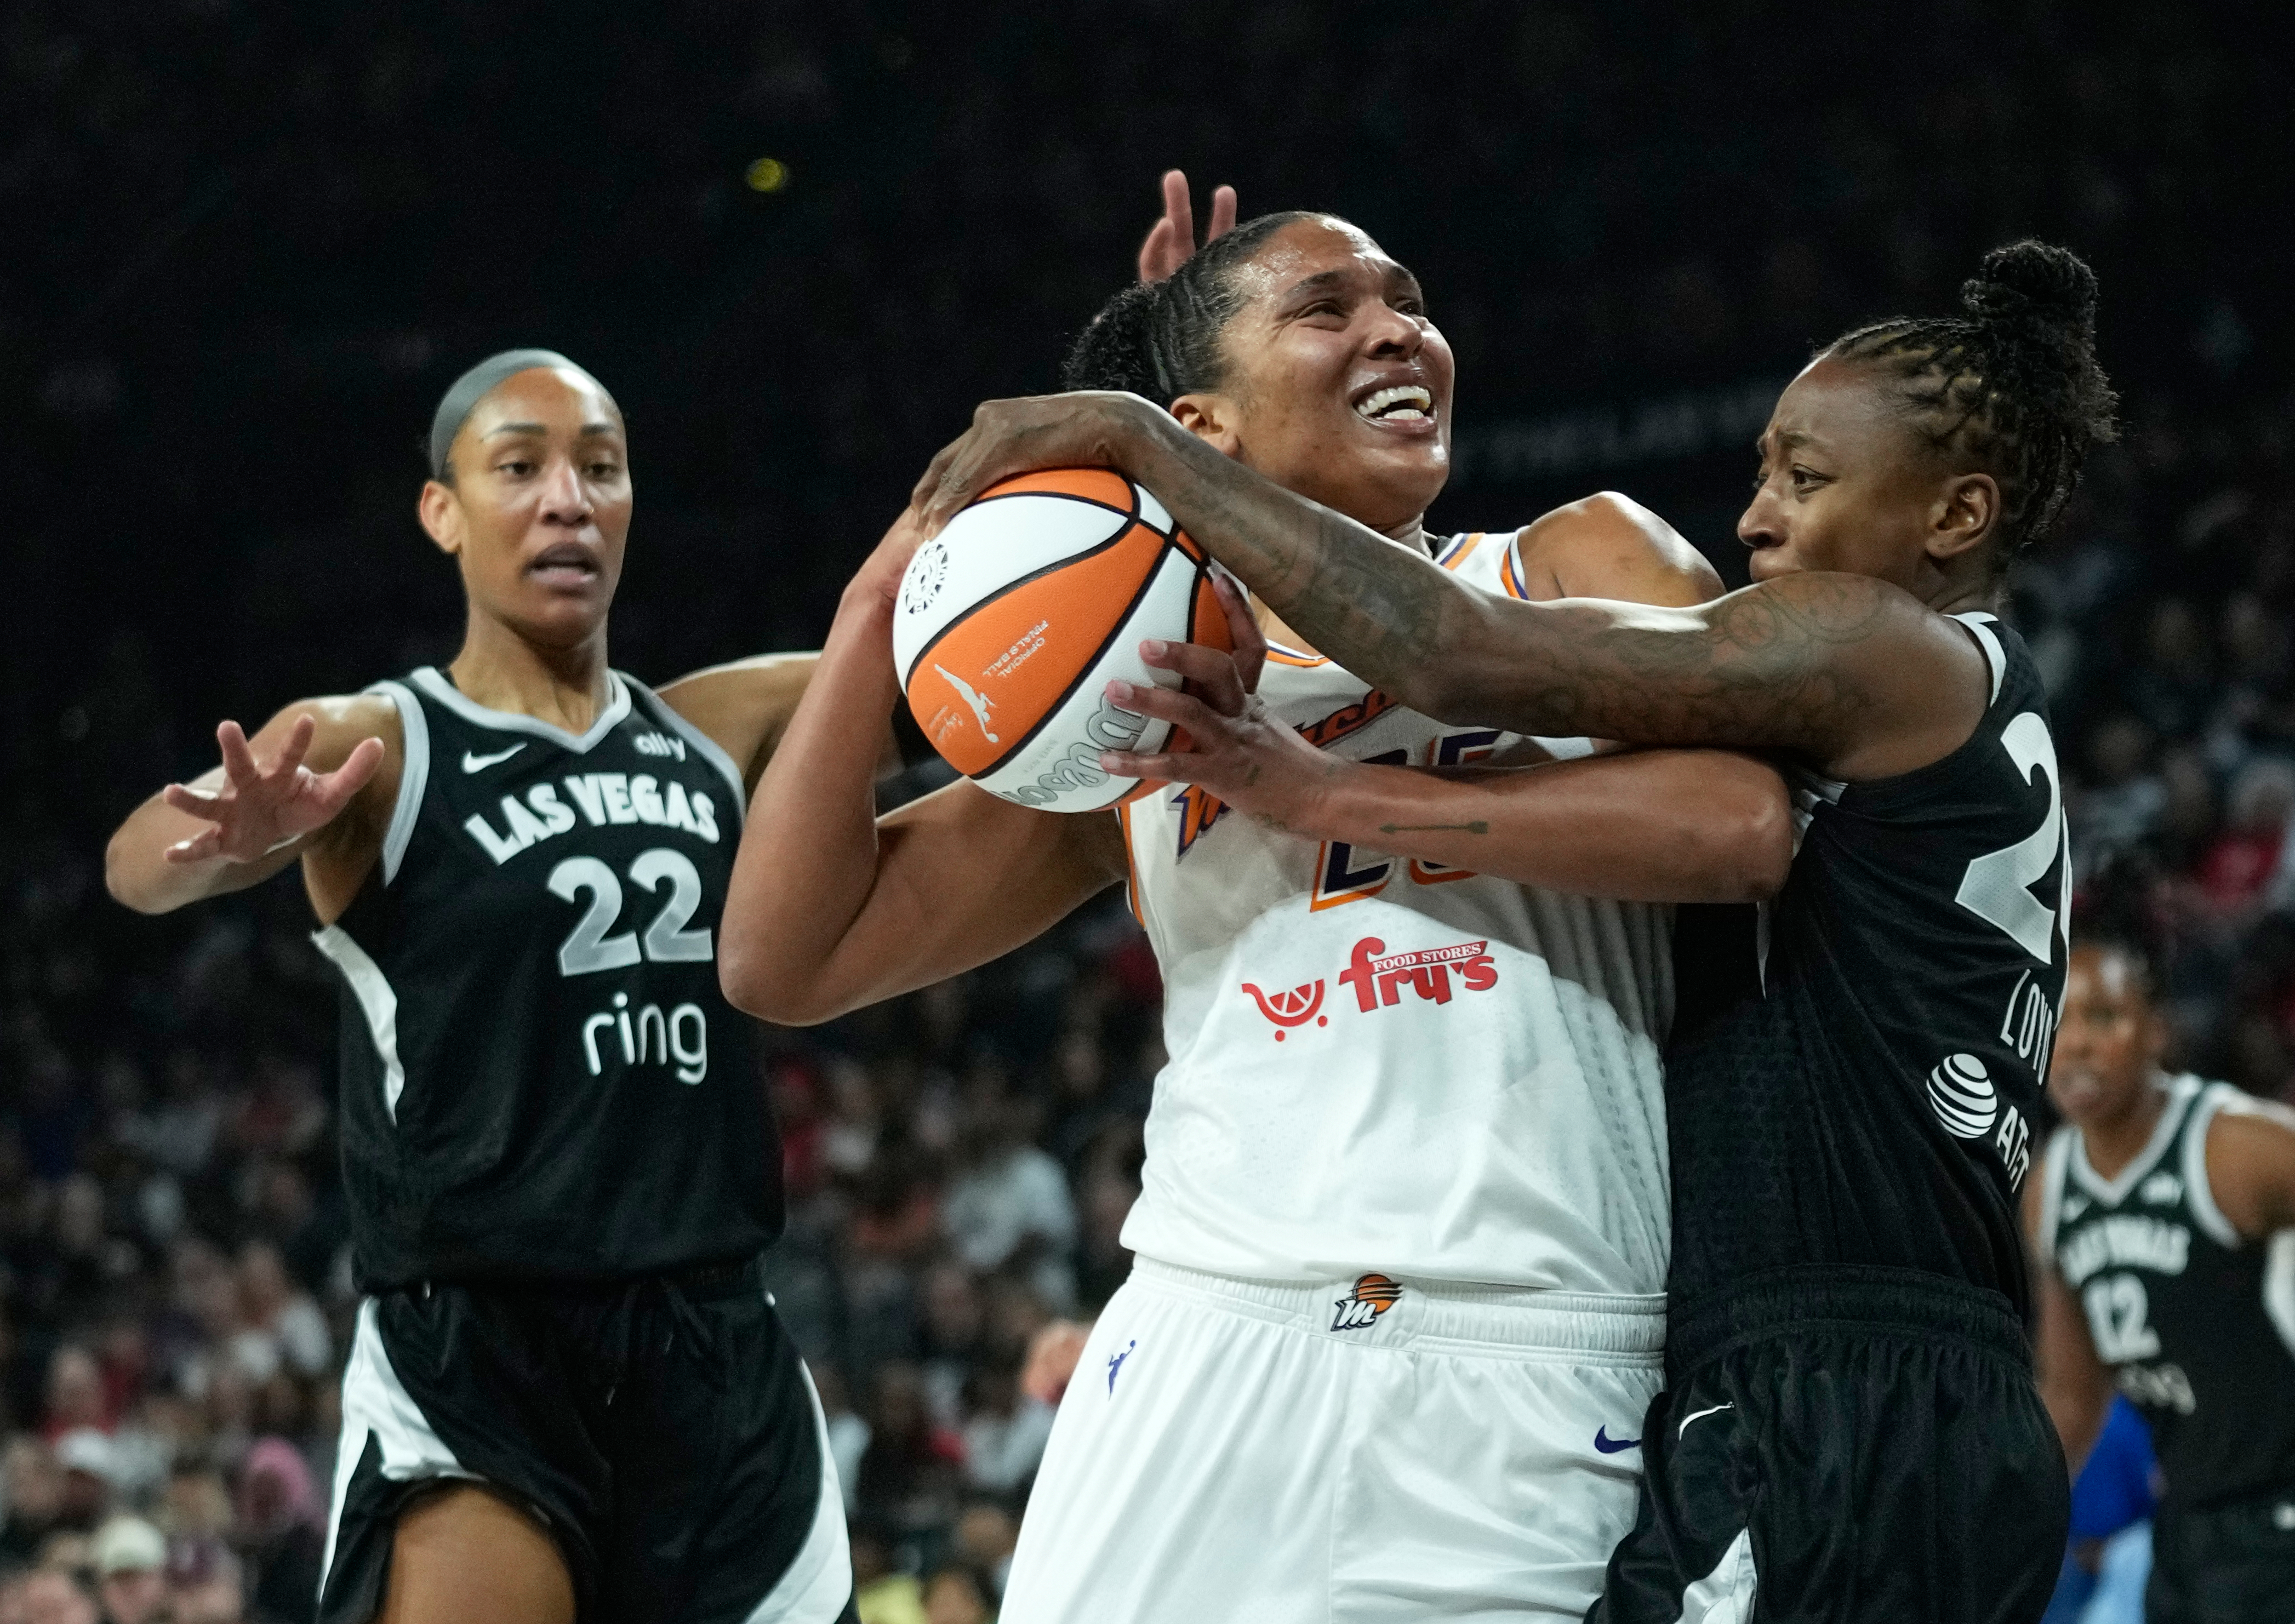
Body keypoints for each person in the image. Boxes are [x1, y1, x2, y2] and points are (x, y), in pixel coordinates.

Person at [914, 239, 2123, 1621]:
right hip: (1901, 1375)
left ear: (1957, 512)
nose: (1754, 523)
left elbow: (1458, 653)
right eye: (1764, 475)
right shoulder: (1962, 711)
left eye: (1805, 476)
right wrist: (1217, 384)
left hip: (1827, 1388)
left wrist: (1162, 453)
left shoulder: (1883, 650)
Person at [723, 209, 1795, 1622]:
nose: (1396, 330)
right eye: (1326, 308)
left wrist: (1319, 794)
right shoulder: (1138, 700)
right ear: (1201, 426)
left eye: (1408, 301)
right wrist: (896, 593)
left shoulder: (1565, 561)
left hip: (1528, 1348)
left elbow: (1742, 827)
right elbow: (783, 957)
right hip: (1203, 1334)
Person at [102, 351, 857, 1624]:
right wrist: (218, 850)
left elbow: (991, 655)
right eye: (518, 468)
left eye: (600, 468)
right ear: (441, 512)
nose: (567, 499)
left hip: (711, 1334)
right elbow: (136, 865)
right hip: (480, 1347)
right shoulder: (386, 742)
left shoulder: (721, 726)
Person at [2031, 931, 2295, 1622]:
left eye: (2103, 1018)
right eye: (2057, 1022)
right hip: (2195, 1535)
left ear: (2156, 1033)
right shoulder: (2049, 1190)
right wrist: (2004, 1531)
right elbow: (2072, 1398)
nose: (2076, 1046)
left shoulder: (2239, 1148)